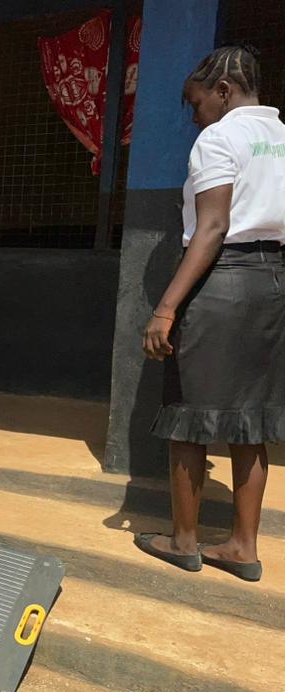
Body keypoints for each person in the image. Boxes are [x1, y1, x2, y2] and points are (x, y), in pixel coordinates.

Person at [136, 45, 285, 583]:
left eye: (196, 103)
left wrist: (166, 307)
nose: (193, 116)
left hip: (220, 284)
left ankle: (184, 540)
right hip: (271, 283)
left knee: (189, 418)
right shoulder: (282, 138)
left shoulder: (218, 138)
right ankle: (243, 547)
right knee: (250, 421)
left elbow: (213, 227)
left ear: (223, 92)